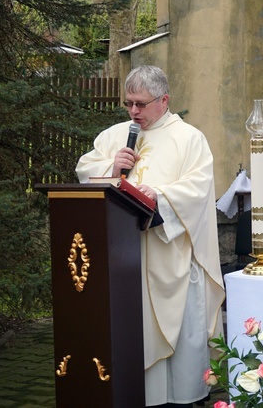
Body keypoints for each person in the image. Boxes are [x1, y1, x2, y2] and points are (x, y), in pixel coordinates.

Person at [76, 65, 225, 408]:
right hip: (122, 259)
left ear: (164, 100)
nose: (133, 112)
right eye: (128, 103)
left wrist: (157, 195)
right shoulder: (113, 136)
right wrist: (112, 171)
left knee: (177, 352)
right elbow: (85, 171)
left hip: (167, 256)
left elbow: (198, 189)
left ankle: (181, 400)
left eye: (141, 104)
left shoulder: (189, 138)